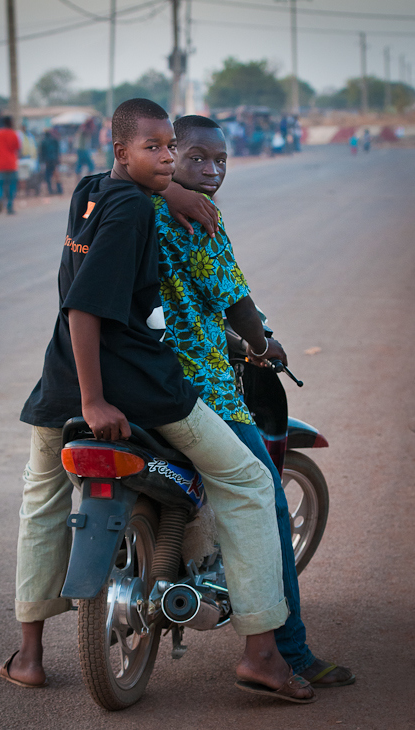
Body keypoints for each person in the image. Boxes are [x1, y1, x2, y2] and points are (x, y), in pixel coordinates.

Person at [0, 99, 315, 704]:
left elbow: (117, 192)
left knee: (40, 505)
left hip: (55, 382)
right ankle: (264, 653)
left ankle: (30, 656)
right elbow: (84, 308)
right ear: (123, 151)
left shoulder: (92, 192)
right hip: (131, 383)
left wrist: (165, 190)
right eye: (159, 149)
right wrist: (94, 401)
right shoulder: (135, 219)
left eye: (174, 149)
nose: (169, 159)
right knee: (249, 484)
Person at [154, 114, 355, 691]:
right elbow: (235, 299)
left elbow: (188, 300)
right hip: (203, 389)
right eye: (195, 157)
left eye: (220, 160)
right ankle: (284, 652)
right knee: (264, 501)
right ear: (169, 155)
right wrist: (264, 344)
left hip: (131, 377)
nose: (211, 170)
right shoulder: (199, 216)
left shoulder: (131, 203)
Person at [0, 116, 20, 214]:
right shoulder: (14, 134)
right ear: (11, 123)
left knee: (0, 185)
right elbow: (17, 149)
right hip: (11, 164)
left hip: (0, 164)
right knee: (11, 186)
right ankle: (9, 206)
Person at [39, 129, 63, 195]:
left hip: (48, 161)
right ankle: (59, 190)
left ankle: (50, 190)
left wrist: (42, 161)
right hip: (54, 160)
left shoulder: (43, 142)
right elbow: (58, 151)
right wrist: (58, 159)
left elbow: (41, 153)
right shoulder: (54, 140)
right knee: (56, 174)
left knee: (48, 176)